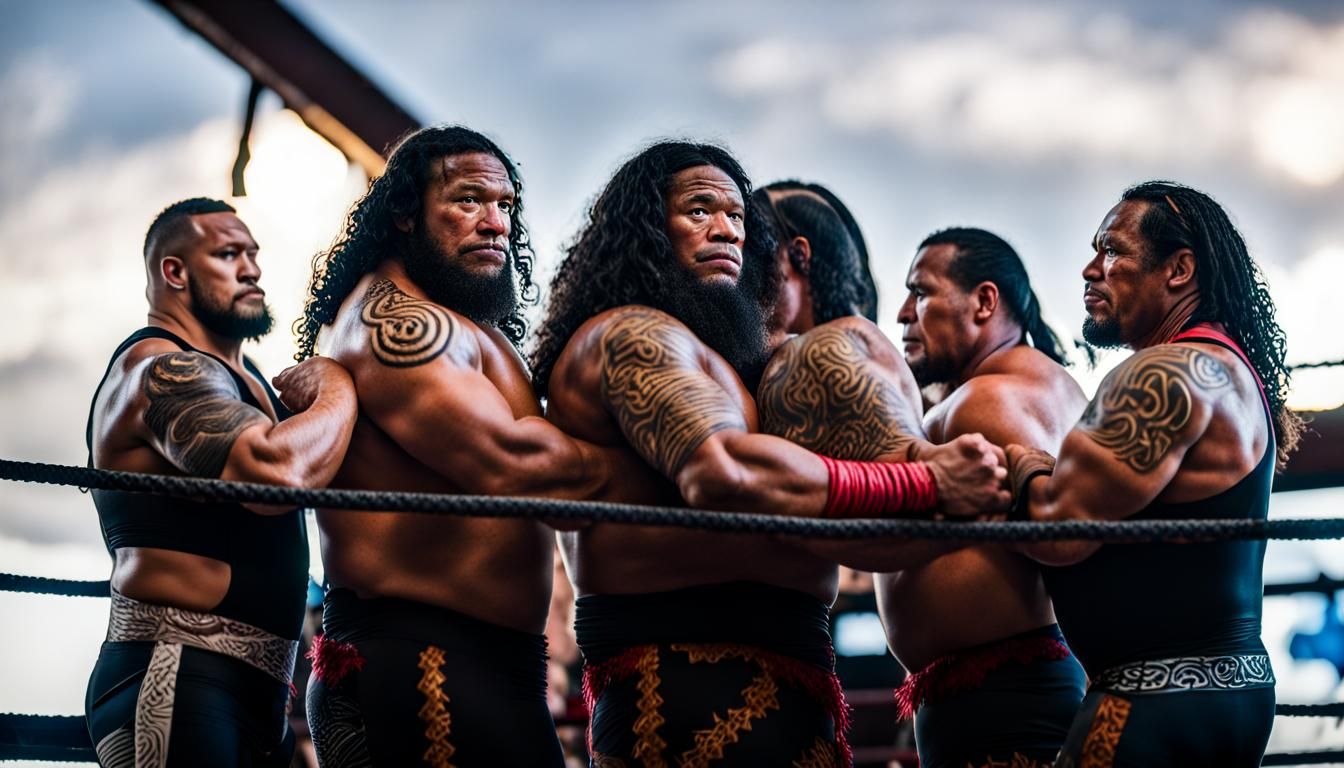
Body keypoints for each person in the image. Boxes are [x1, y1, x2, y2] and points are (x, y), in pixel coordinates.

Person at [531, 142, 1008, 766]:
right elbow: (720, 472)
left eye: (738, 218)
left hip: (796, 693)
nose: (727, 230)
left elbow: (883, 537)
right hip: (673, 700)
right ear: (646, 228)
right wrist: (926, 485)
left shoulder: (742, 367)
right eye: (700, 211)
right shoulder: (633, 336)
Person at [296, 125, 649, 767]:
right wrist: (683, 467)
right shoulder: (395, 323)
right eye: (468, 201)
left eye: (505, 205)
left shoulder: (464, 326)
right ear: (405, 212)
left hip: (483, 667)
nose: (494, 223)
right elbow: (514, 466)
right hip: (417, 660)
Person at [1009, 181, 1303, 767]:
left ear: (1179, 270)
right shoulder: (1223, 365)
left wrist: (1025, 465)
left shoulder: (1165, 373)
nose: (1091, 270)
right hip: (1231, 687)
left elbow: (1059, 527)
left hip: (1151, 693)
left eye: (1113, 251)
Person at [84, 198, 357, 767]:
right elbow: (275, 475)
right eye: (228, 253)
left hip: (266, 692)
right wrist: (338, 386)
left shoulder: (251, 382)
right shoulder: (159, 367)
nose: (251, 268)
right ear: (175, 273)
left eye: (253, 254)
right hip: (174, 672)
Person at [887, 228, 1087, 767]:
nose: (905, 312)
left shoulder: (991, 397)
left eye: (921, 292)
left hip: (1008, 700)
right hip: (1003, 693)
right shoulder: (1030, 383)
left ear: (984, 301)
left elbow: (1067, 533)